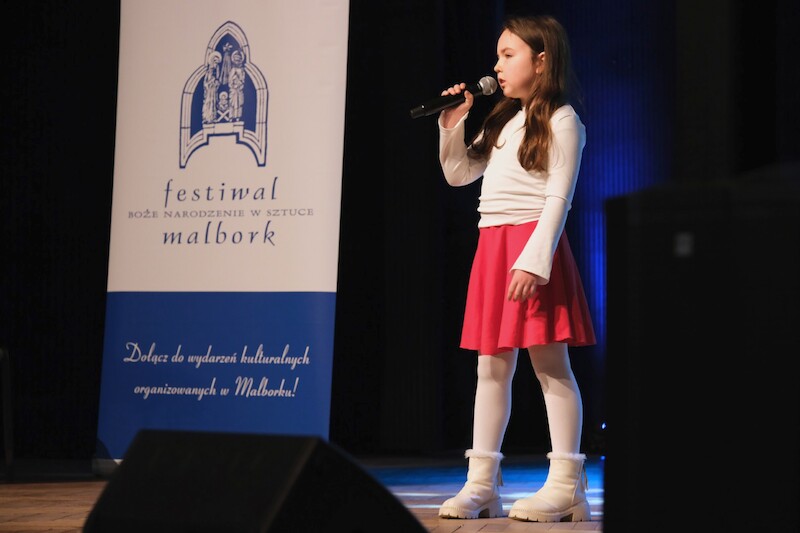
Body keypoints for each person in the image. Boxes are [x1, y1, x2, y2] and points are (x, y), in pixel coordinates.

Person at [435, 14, 596, 523]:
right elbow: (459, 173)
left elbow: (559, 197)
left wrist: (536, 260)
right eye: (498, 56)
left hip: (531, 248)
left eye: (509, 55)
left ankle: (567, 483)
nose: (498, 65)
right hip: (493, 246)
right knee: (491, 366)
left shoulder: (563, 119)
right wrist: (451, 124)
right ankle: (481, 483)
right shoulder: (502, 119)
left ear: (541, 61)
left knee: (550, 365)